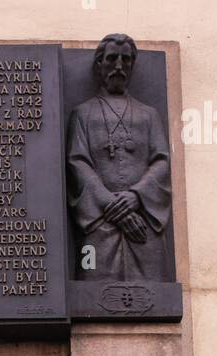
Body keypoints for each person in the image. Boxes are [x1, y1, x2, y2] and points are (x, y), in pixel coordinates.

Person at [67, 34, 172, 281]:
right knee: (92, 283)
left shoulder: (149, 115)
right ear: (99, 64)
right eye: (112, 59)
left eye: (126, 60)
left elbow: (161, 161)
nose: (118, 66)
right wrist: (113, 207)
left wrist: (136, 196)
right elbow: (77, 163)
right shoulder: (82, 114)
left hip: (143, 222)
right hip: (99, 224)